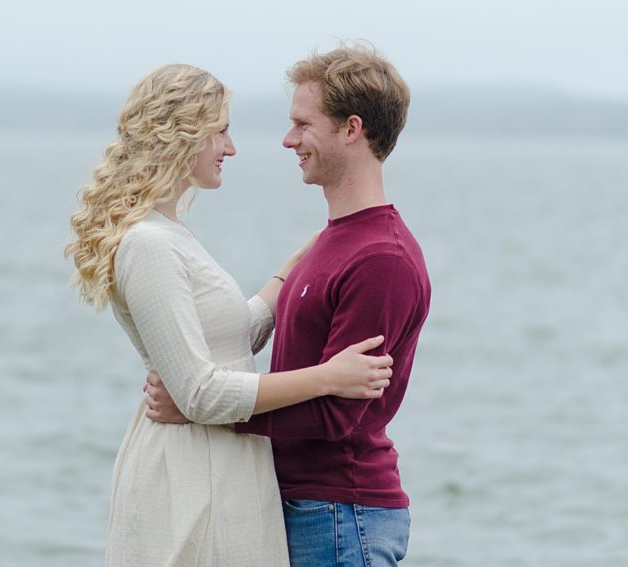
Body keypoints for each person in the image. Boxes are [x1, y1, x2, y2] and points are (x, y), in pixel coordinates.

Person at [65, 64, 396, 567]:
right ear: (183, 133)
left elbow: (233, 339)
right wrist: (328, 378)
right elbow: (199, 393)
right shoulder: (149, 244)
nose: (231, 147)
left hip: (225, 465)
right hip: (192, 476)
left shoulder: (168, 232)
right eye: (221, 131)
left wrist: (298, 265)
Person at [145, 45, 431, 566]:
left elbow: (337, 413)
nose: (288, 139)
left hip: (342, 515)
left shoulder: (380, 258)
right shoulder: (333, 240)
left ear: (351, 129)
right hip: (307, 508)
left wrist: (201, 413)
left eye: (302, 124)